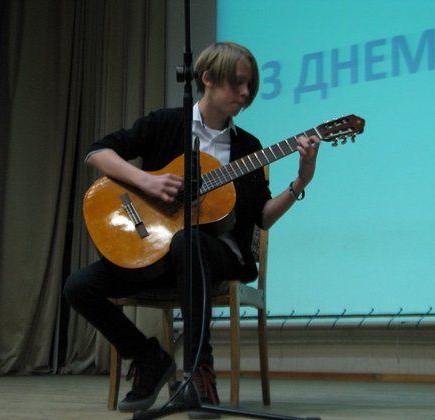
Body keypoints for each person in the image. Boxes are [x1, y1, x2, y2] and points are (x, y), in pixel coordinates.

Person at [63, 41, 320, 416]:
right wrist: (148, 182)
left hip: (215, 255)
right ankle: (149, 358)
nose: (246, 92)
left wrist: (301, 181)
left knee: (189, 240)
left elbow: (262, 217)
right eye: (237, 83)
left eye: (250, 85)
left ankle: (200, 369)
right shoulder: (167, 124)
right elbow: (97, 152)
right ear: (208, 79)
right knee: (78, 286)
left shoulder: (248, 147)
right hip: (157, 251)